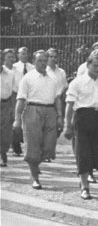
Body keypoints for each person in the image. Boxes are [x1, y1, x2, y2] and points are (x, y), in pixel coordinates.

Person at [63, 55, 98, 200]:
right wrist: (68, 125)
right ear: (88, 65)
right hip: (82, 118)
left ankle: (89, 171)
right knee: (83, 152)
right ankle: (84, 186)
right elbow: (70, 105)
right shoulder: (77, 82)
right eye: (95, 66)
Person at [12, 50, 64, 189]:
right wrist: (17, 119)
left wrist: (60, 116)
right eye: (39, 60)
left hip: (50, 111)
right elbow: (21, 99)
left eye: (44, 60)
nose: (42, 63)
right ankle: (35, 177)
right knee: (33, 145)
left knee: (49, 148)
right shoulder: (28, 78)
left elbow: (57, 98)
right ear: (34, 62)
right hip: (33, 110)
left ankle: (33, 163)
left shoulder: (53, 77)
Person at [10, 46, 30, 157]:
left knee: (27, 120)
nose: (24, 55)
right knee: (16, 119)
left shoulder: (32, 67)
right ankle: (16, 146)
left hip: (28, 97)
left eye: (26, 53)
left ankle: (27, 145)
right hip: (16, 95)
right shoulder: (14, 67)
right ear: (18, 55)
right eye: (22, 53)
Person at [1, 49, 19, 167]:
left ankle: (3, 154)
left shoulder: (10, 74)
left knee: (5, 132)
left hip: (5, 105)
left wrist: (14, 110)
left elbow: (14, 93)